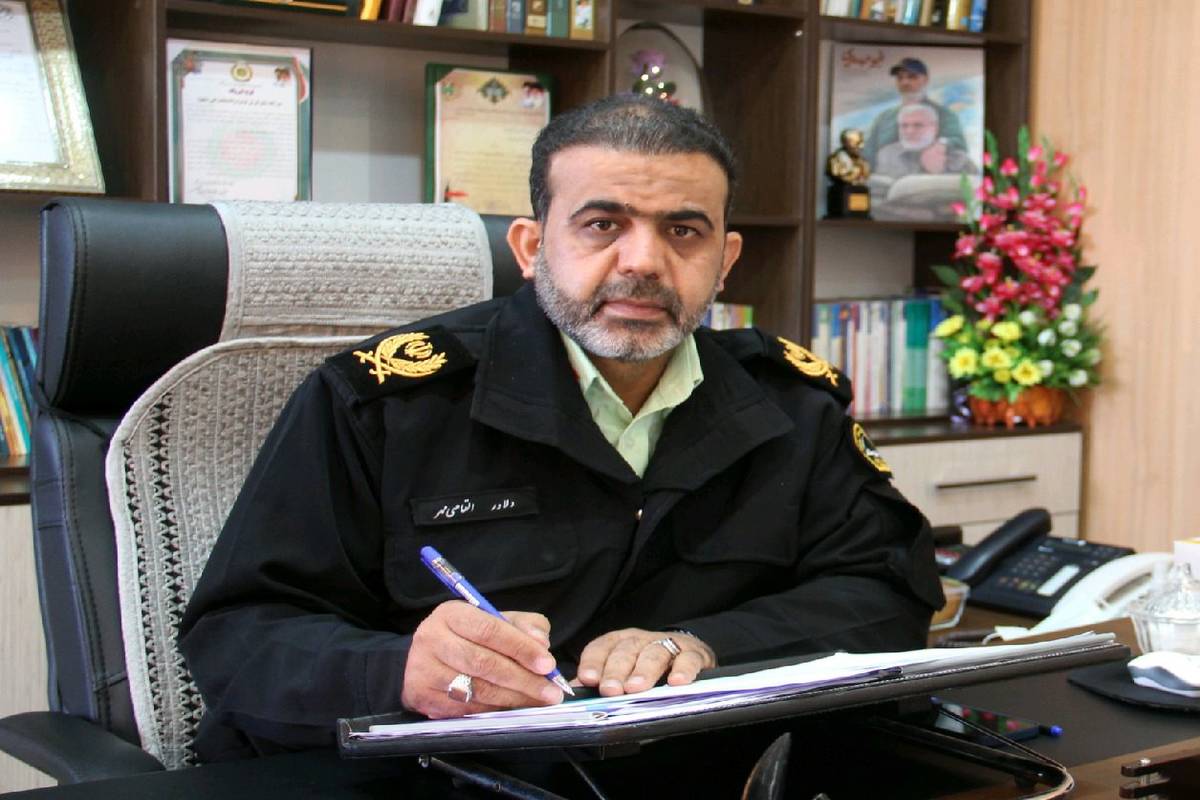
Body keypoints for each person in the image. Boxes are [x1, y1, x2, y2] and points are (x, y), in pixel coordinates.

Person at [179, 94, 944, 763]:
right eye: (603, 224)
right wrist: (396, 670)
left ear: (725, 260)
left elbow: (888, 593)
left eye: (684, 232)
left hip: (690, 771)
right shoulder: (383, 403)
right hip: (432, 777)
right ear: (531, 246)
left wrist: (704, 644)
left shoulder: (792, 407)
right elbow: (238, 632)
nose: (643, 261)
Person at [861, 57, 968, 168]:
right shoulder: (884, 118)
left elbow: (958, 142)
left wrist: (941, 145)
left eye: (912, 77)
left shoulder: (945, 114)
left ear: (925, 80)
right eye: (900, 78)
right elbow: (868, 153)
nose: (905, 82)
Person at [872, 103, 975, 179]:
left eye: (918, 125)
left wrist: (938, 173)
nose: (909, 131)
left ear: (934, 128)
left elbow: (974, 193)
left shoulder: (958, 158)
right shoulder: (887, 154)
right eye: (904, 126)